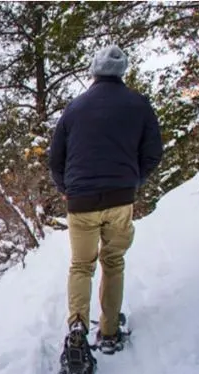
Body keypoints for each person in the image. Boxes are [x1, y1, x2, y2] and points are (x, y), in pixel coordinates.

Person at [48, 44, 163, 354]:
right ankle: (110, 332)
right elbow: (153, 152)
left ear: (94, 70)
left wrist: (66, 187)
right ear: (122, 71)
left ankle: (77, 326)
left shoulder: (74, 108)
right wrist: (133, 179)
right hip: (120, 199)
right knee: (113, 262)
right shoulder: (139, 105)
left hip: (81, 201)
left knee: (81, 266)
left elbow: (55, 159)